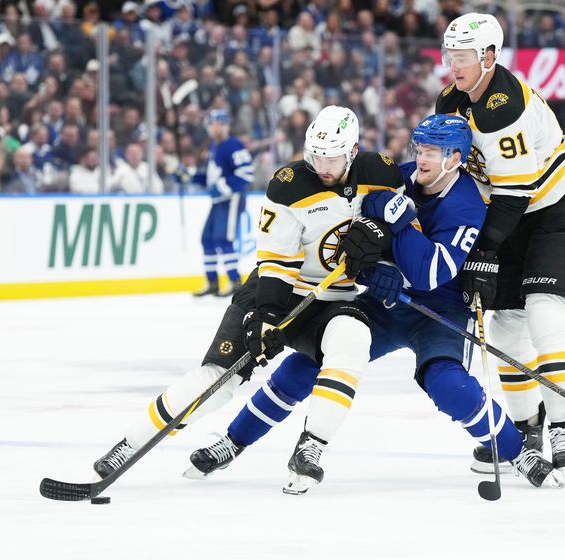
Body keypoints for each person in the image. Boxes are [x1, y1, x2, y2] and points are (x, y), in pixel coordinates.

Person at [185, 114, 562, 493]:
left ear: (456, 158)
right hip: (385, 301)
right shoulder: (399, 175)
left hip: (440, 310)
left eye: (434, 151)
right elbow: (360, 233)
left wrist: (395, 221)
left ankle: (518, 452)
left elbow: (429, 274)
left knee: (448, 385)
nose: (423, 158)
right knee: (308, 363)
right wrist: (374, 266)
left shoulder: (466, 203)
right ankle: (235, 441)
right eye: (420, 148)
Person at [91, 106, 399, 482]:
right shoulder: (289, 184)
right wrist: (266, 316)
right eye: (315, 155)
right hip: (276, 292)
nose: (322, 165)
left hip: (332, 301)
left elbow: (403, 224)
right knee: (219, 379)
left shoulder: (382, 173)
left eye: (331, 157)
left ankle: (313, 444)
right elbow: (276, 264)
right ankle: (130, 443)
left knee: (353, 340)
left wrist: (385, 253)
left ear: (352, 152)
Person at [437, 13, 565, 485]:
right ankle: (527, 430)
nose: (452, 65)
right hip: (509, 212)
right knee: (505, 323)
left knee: (544, 307)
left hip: (557, 202)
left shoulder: (502, 105)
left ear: (488, 56)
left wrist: (484, 248)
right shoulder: (452, 100)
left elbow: (514, 191)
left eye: (461, 57)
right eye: (449, 56)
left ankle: (564, 428)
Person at [192, 109, 255, 297]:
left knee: (223, 239)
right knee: (207, 239)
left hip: (231, 200)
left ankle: (235, 281)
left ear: (227, 126)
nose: (216, 128)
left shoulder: (233, 145)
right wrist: (191, 176)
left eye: (220, 124)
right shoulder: (214, 146)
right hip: (218, 201)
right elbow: (213, 180)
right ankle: (212, 282)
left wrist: (223, 187)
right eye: (212, 124)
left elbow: (246, 174)